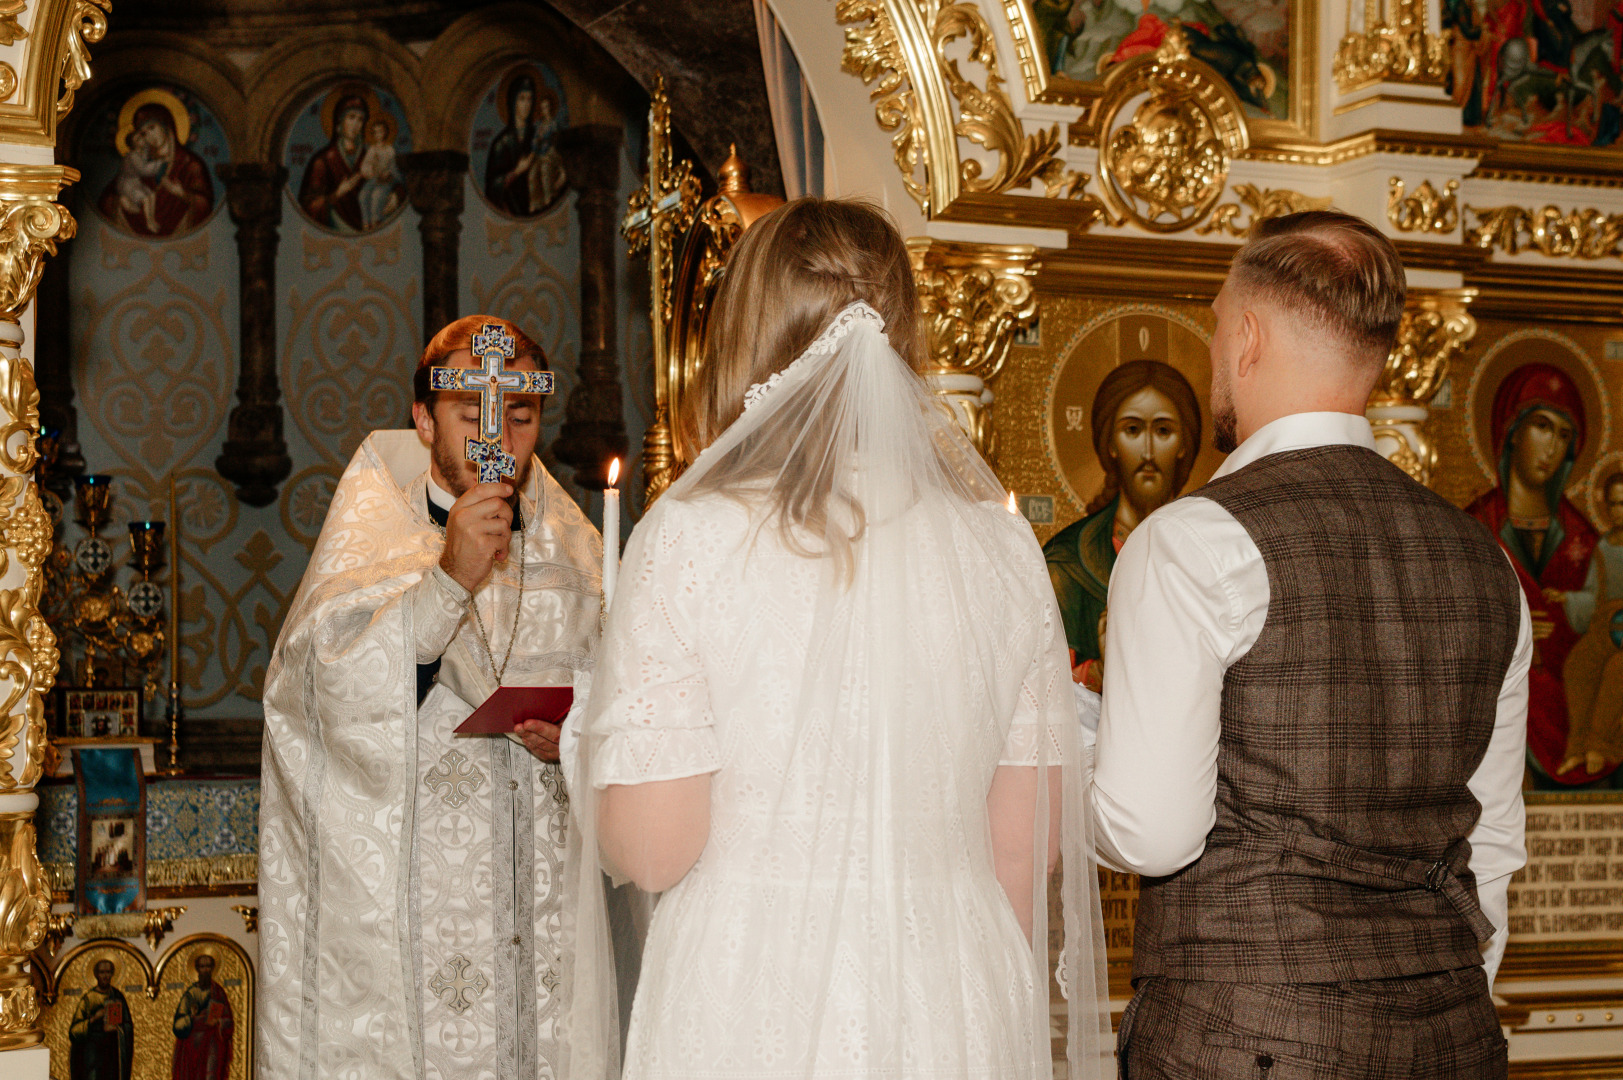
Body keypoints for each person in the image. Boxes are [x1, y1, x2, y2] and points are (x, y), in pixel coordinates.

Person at [558, 198, 1109, 1080]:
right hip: (953, 981)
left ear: (740, 340)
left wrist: (596, 744)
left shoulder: (692, 534)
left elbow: (655, 847)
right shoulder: (998, 545)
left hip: (749, 995)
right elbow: (1024, 844)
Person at [1091, 211, 1531, 1078]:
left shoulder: (1192, 539)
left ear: (1246, 337)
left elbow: (1150, 833)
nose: (1215, 348)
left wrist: (1060, 749)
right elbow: (1492, 847)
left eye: (1217, 324)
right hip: (1453, 1037)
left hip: (1246, 1035)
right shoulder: (1489, 564)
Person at [259, 314, 603, 1080]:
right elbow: (315, 702)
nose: (497, 433)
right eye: (468, 410)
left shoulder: (577, 551)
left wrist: (582, 736)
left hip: (547, 916)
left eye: (519, 414)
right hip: (419, 922)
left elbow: (627, 698)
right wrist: (446, 585)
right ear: (421, 420)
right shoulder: (371, 548)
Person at [1467, 363, 1600, 784]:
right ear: (1511, 429)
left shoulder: (1585, 538)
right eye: (1542, 426)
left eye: (1564, 436)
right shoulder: (1474, 527)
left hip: (1573, 709)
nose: (1551, 447)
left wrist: (1563, 625)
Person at [1044, 359, 1200, 688]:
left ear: (1184, 443)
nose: (1147, 451)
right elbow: (1041, 688)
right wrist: (1099, 671)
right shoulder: (1066, 565)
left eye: (1163, 431)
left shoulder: (1210, 554)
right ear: (1111, 444)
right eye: (1132, 430)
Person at [1558, 471, 1623, 776]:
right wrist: (1567, 599)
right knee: (1578, 665)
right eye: (1614, 504)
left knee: (1616, 669)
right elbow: (1593, 595)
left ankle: (1600, 747)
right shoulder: (1604, 547)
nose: (1619, 510)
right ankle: (1578, 749)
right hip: (1607, 627)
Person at [97, 100, 214, 239]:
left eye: (152, 128)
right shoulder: (140, 162)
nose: (149, 136)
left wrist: (183, 194)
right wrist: (122, 202)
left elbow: (204, 205)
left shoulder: (190, 164)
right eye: (144, 133)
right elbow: (108, 200)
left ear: (166, 126)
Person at [297, 95, 372, 232]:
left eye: (360, 120)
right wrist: (336, 194)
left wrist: (395, 196)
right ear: (340, 120)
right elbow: (309, 207)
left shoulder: (369, 157)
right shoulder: (323, 160)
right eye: (351, 117)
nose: (356, 124)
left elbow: (393, 181)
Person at [69, 958, 133, 1080]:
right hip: (92, 1055)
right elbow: (74, 1031)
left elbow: (128, 1025)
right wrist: (94, 1018)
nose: (105, 976)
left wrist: (119, 1029)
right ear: (96, 975)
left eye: (108, 972)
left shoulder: (117, 996)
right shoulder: (88, 998)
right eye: (102, 972)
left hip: (112, 1055)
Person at [172, 953, 233, 1080]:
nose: (205, 970)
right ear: (197, 969)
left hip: (212, 1044)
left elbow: (228, 1021)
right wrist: (192, 1018)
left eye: (208, 966)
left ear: (212, 969)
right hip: (192, 1045)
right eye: (202, 966)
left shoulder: (218, 992)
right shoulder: (190, 994)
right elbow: (178, 1025)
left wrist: (219, 1022)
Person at [356, 118, 400, 229]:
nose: (378, 134)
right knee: (363, 195)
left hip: (387, 179)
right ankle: (366, 224)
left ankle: (376, 223)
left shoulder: (389, 149)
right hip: (374, 178)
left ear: (385, 132)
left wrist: (388, 173)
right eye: (375, 132)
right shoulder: (372, 149)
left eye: (380, 131)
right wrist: (370, 168)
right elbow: (365, 165)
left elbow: (394, 167)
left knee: (377, 196)